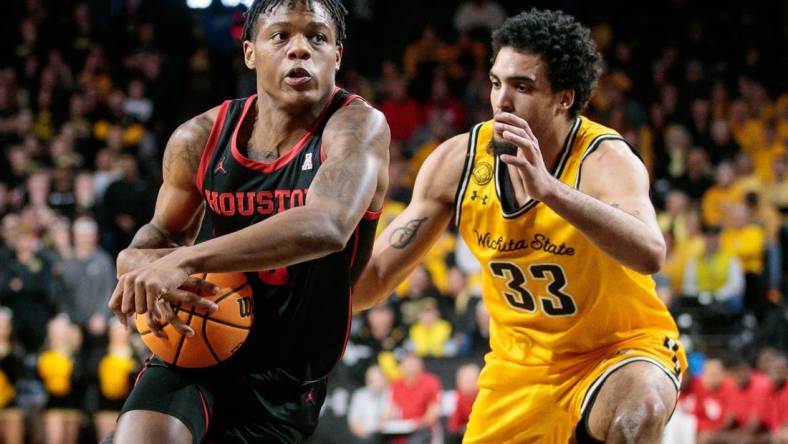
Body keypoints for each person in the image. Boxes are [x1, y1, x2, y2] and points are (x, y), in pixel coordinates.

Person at [354, 9, 686, 443]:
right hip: (520, 368)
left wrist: (550, 191)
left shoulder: (606, 160)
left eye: (522, 87)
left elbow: (650, 253)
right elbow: (378, 275)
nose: (501, 101)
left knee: (639, 411)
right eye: (496, 82)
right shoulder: (457, 163)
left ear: (563, 98)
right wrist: (292, 305)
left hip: (618, 351)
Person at [106, 0, 390, 443]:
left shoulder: (358, 127)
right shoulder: (198, 137)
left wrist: (185, 260)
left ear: (337, 54)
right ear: (250, 53)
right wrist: (134, 260)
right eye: (280, 36)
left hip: (288, 376)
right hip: (199, 339)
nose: (300, 49)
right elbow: (161, 235)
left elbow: (327, 226)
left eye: (317, 37)